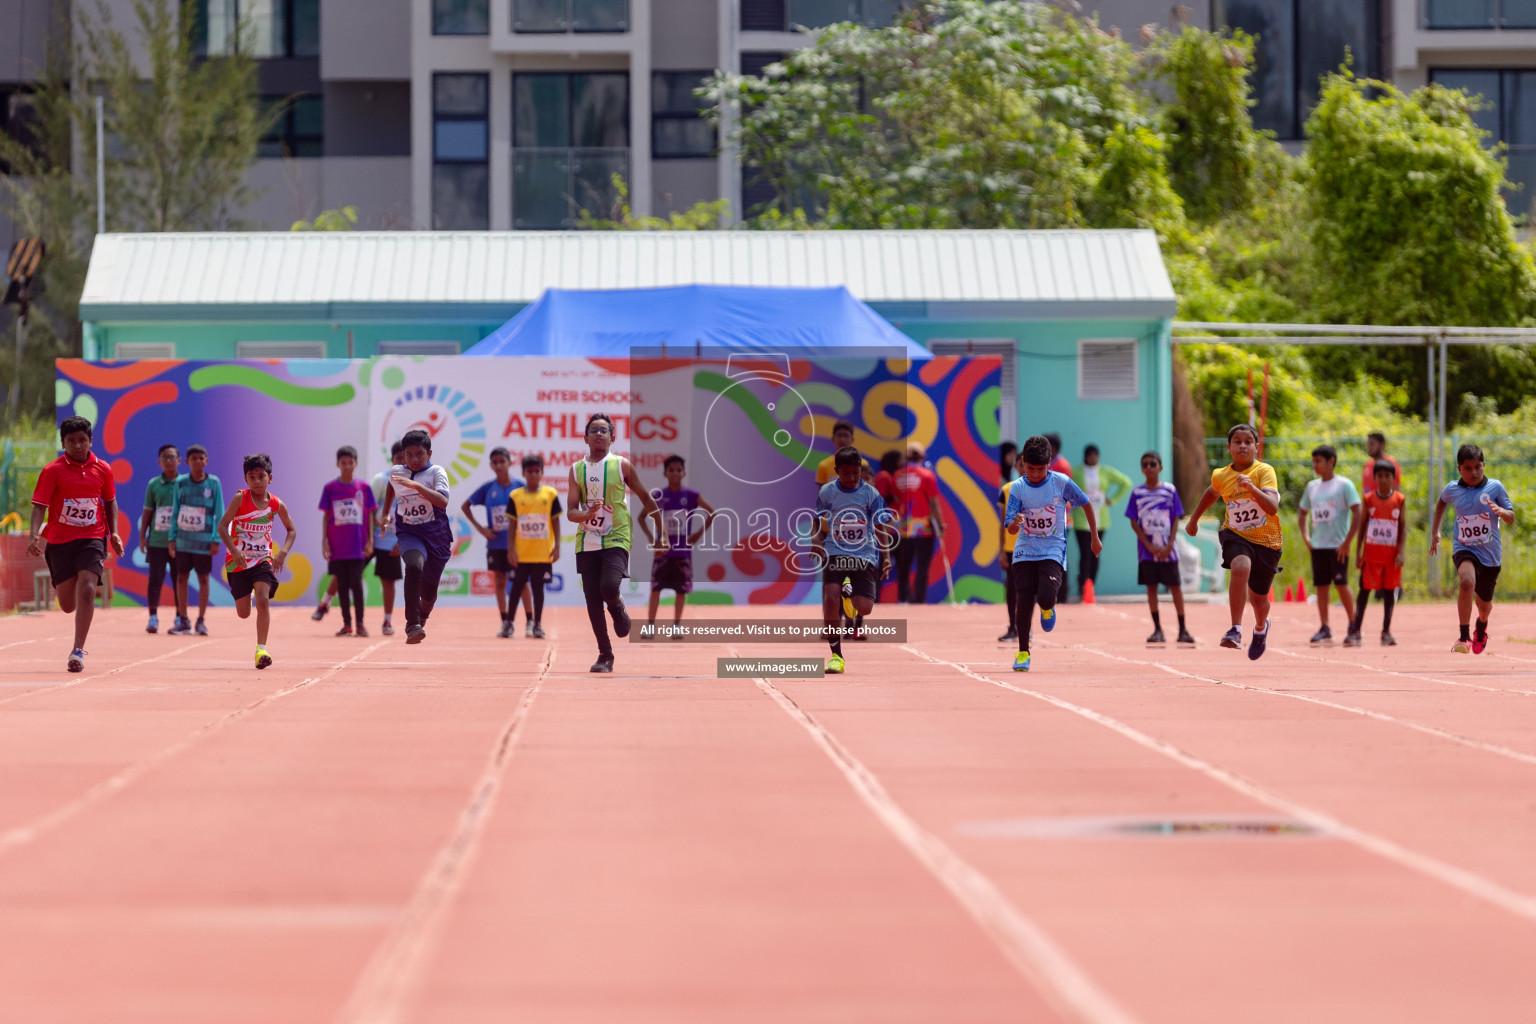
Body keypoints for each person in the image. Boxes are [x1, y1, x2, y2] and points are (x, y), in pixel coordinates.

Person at [567, 412, 668, 673]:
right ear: (585, 437)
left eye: (604, 430)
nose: (599, 434)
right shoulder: (576, 469)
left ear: (613, 437)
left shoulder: (621, 465)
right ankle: (605, 654)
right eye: (594, 430)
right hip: (587, 540)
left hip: (617, 536)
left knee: (609, 588)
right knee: (592, 599)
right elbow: (570, 512)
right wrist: (586, 514)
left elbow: (647, 498)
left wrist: (662, 532)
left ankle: (617, 604)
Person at [26, 416, 124, 673]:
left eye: (82, 440)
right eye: (71, 441)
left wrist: (114, 532)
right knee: (68, 605)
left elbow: (110, 501)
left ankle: (78, 650)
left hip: (92, 537)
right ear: (63, 443)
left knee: (89, 588)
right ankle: (62, 584)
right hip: (60, 541)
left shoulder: (103, 469)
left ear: (91, 441)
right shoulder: (52, 471)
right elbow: (39, 507)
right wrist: (34, 535)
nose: (77, 446)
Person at [1185, 423, 1282, 660]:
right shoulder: (1221, 475)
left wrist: (1252, 489)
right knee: (1240, 567)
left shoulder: (1264, 472)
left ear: (1256, 447)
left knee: (1259, 600)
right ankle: (1235, 629)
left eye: (1248, 442)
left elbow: (1272, 507)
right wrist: (1194, 519)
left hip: (1267, 541)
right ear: (1229, 448)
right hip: (1235, 534)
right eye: (1237, 442)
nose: (1242, 446)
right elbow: (1211, 492)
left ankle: (1260, 628)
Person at [1002, 435, 1097, 672]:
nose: (1035, 474)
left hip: (1052, 549)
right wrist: (1016, 521)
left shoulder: (1061, 482)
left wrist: (1094, 538)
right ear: (1023, 463)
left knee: (1045, 596)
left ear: (1049, 464)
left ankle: (1047, 607)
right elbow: (1011, 527)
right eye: (1030, 468)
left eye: (1041, 469)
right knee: (1023, 599)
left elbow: (1085, 504)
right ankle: (1023, 652)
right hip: (1024, 550)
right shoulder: (1017, 488)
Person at [813, 446, 897, 674]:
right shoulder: (827, 492)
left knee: (865, 608)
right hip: (835, 551)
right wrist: (815, 541)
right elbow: (816, 519)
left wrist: (886, 556)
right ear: (836, 471)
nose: (851, 479)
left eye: (856, 473)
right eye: (845, 474)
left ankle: (848, 595)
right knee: (830, 599)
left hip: (864, 554)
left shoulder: (871, 494)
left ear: (861, 470)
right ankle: (836, 656)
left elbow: (880, 526)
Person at [1430, 444, 1515, 654]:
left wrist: (1501, 511)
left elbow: (1511, 517)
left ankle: (1482, 624)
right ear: (1460, 469)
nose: (1474, 472)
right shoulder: (1452, 489)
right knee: (1466, 581)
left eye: (1478, 467)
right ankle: (1464, 636)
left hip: (1490, 554)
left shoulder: (1495, 488)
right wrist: (1435, 531)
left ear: (1484, 465)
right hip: (1464, 547)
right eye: (1468, 468)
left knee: (1484, 605)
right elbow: (1441, 502)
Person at [217, 453, 296, 670]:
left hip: (262, 560)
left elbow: (291, 530)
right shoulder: (239, 499)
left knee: (263, 600)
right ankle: (248, 592)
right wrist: (234, 550)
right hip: (238, 562)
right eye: (252, 477)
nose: (257, 481)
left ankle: (261, 649)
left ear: (270, 478)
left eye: (261, 476)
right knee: (244, 613)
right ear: (246, 480)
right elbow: (222, 527)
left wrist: (283, 553)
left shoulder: (275, 504)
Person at [382, 428, 453, 644]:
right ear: (403, 455)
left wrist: (417, 486)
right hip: (409, 532)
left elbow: (442, 502)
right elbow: (391, 487)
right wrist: (385, 514)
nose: (414, 459)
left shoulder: (436, 473)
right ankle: (412, 624)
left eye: (419, 454)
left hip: (437, 537)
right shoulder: (397, 471)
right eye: (409, 455)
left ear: (429, 454)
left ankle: (422, 616)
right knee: (413, 565)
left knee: (429, 595)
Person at [1125, 450, 1194, 645]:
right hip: (1147, 553)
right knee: (1151, 589)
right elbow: (1133, 521)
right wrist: (1148, 545)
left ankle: (1183, 630)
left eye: (1153, 464)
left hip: (1168, 551)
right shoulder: (1137, 493)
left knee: (1175, 588)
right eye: (1145, 464)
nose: (1149, 467)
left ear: (1160, 467)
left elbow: (1175, 518)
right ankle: (1157, 630)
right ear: (1142, 469)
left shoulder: (1169, 491)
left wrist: (1170, 543)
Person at [643, 455, 717, 636]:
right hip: (663, 553)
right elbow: (640, 517)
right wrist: (653, 539)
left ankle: (676, 625)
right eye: (671, 470)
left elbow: (712, 513)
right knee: (656, 589)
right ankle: (650, 626)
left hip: (683, 553)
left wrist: (697, 534)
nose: (675, 473)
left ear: (684, 473)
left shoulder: (692, 495)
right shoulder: (658, 495)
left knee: (681, 591)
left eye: (678, 470)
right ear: (665, 473)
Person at [462, 447, 531, 638]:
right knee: (500, 582)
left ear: (510, 462)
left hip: (517, 545)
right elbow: (465, 505)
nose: (499, 465)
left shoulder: (520, 486)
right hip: (495, 545)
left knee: (522, 582)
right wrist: (480, 528)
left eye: (503, 461)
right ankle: (506, 623)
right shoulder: (487, 488)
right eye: (495, 462)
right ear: (491, 465)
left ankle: (531, 621)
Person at [1298, 444, 1362, 646]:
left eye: (1318, 461)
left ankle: (1354, 626)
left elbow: (1358, 512)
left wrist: (1347, 542)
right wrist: (1306, 537)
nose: (1315, 465)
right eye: (1313, 461)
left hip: (1338, 546)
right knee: (1321, 586)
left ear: (1331, 461)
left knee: (1342, 584)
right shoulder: (1312, 487)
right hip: (1318, 546)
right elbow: (1302, 512)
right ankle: (1325, 627)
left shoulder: (1344, 485)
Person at [1345, 459, 1407, 647]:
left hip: (1390, 556)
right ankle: (1356, 630)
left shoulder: (1399, 500)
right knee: (1364, 591)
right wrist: (1358, 552)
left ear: (1393, 479)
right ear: (1375, 478)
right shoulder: (1369, 499)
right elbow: (1362, 526)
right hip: (1371, 555)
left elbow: (1403, 528)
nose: (1383, 479)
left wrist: (1401, 552)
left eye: (1387, 476)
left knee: (1389, 593)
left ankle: (1386, 632)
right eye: (1380, 476)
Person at [318, 445, 376, 637]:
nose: (347, 466)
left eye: (351, 462)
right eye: (343, 463)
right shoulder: (330, 488)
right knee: (342, 586)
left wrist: (370, 541)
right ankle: (347, 624)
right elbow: (326, 516)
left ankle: (360, 624)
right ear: (338, 464)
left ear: (356, 463)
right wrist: (325, 541)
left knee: (357, 585)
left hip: (357, 546)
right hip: (337, 546)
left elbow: (370, 515)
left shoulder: (364, 488)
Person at [167, 444, 224, 636]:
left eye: (201, 458)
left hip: (204, 543)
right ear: (187, 462)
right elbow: (175, 512)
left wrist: (216, 539)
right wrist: (172, 538)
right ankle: (183, 620)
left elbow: (219, 514)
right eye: (194, 459)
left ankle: (201, 620)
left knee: (203, 579)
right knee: (181, 578)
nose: (198, 461)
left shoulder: (214, 483)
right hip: (183, 542)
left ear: (207, 461)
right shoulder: (180, 483)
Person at [507, 453, 562, 640]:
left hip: (542, 554)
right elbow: (512, 524)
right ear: (523, 473)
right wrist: (510, 549)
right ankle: (509, 624)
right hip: (521, 554)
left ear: (542, 472)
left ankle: (537, 624)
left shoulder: (550, 494)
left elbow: (556, 521)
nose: (533, 475)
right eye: (529, 472)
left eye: (536, 471)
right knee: (516, 589)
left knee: (539, 591)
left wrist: (557, 547)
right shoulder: (515, 496)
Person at [1071, 444, 1131, 600]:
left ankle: (1092, 585)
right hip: (1081, 519)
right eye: (1090, 455)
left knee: (1095, 553)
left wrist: (1114, 499)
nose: (1093, 458)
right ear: (1085, 456)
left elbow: (1126, 482)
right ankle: (1082, 584)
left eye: (1095, 455)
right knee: (1085, 554)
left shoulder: (1105, 471)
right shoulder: (1076, 471)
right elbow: (1067, 487)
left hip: (1101, 520)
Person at [893, 442, 944, 604]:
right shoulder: (927, 475)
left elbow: (895, 499)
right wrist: (941, 524)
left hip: (903, 528)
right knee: (922, 567)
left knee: (903, 566)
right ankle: (919, 600)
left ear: (906, 457)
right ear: (922, 457)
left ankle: (903, 599)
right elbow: (934, 503)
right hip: (923, 529)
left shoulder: (897, 475)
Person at [139, 444, 181, 633]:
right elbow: (148, 513)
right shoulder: (154, 484)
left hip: (180, 542)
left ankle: (181, 617)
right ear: (159, 462)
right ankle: (153, 617)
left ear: (179, 461)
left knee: (179, 579)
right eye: (165, 457)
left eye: (172, 457)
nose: (168, 460)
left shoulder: (185, 483)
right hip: (157, 541)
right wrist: (142, 537)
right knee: (155, 579)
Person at [370, 441, 406, 635]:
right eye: (398, 458)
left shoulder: (413, 484)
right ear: (392, 459)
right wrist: (368, 538)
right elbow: (369, 510)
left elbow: (413, 516)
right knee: (349, 569)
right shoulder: (381, 480)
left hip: (390, 541)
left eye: (405, 457)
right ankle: (325, 603)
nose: (401, 462)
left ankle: (387, 620)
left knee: (388, 581)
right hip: (371, 538)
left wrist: (401, 542)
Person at [997, 446, 1025, 642]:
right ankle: (1013, 626)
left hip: (1031, 547)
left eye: (1027, 464)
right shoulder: (1006, 490)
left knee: (1028, 589)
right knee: (1011, 589)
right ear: (1015, 466)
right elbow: (1002, 522)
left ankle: (1026, 625)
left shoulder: (1040, 489)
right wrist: (1000, 550)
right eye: (1020, 464)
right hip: (1010, 547)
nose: (1024, 468)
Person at [874, 450, 902, 602]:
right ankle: (874, 599)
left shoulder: (890, 476)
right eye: (900, 459)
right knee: (881, 565)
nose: (903, 461)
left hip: (894, 528)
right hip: (886, 529)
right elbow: (879, 501)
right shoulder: (884, 476)